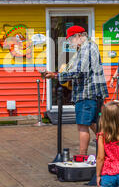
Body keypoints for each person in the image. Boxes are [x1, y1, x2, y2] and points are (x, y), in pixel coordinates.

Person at [44, 25, 108, 155]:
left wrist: (56, 75)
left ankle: (82, 157)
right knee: (93, 124)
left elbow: (79, 71)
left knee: (82, 125)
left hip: (87, 93)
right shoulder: (88, 47)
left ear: (79, 36)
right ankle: (109, 150)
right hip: (91, 93)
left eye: (70, 40)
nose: (70, 43)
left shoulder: (86, 48)